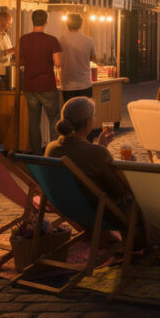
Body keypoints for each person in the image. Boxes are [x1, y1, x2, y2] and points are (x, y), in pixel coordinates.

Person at [44, 97, 135, 236]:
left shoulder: (52, 148)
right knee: (141, 200)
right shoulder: (95, 153)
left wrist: (100, 148)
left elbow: (82, 161)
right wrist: (130, 167)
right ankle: (145, 243)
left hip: (69, 210)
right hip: (102, 213)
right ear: (87, 123)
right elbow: (122, 191)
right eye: (93, 116)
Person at [19, 9, 62, 153]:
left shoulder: (23, 39)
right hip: (47, 85)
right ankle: (53, 151)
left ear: (32, 20)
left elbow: (19, 61)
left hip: (30, 86)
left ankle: (36, 152)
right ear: (46, 21)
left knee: (33, 120)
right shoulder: (51, 40)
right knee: (54, 119)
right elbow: (57, 62)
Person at [59, 13, 96, 102]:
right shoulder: (89, 40)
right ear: (80, 25)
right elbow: (93, 58)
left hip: (67, 85)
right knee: (85, 112)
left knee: (70, 113)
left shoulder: (61, 40)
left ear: (67, 24)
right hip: (85, 83)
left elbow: (58, 60)